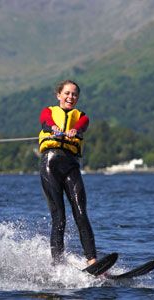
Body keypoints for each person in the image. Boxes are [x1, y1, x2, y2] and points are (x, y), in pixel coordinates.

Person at [38, 79, 97, 266]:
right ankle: (57, 264)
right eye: (67, 93)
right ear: (59, 95)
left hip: (71, 164)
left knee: (81, 212)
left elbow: (83, 125)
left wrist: (75, 131)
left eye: (74, 94)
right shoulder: (48, 111)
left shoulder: (82, 116)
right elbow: (45, 122)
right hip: (51, 163)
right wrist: (52, 128)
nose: (70, 97)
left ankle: (92, 261)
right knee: (59, 216)